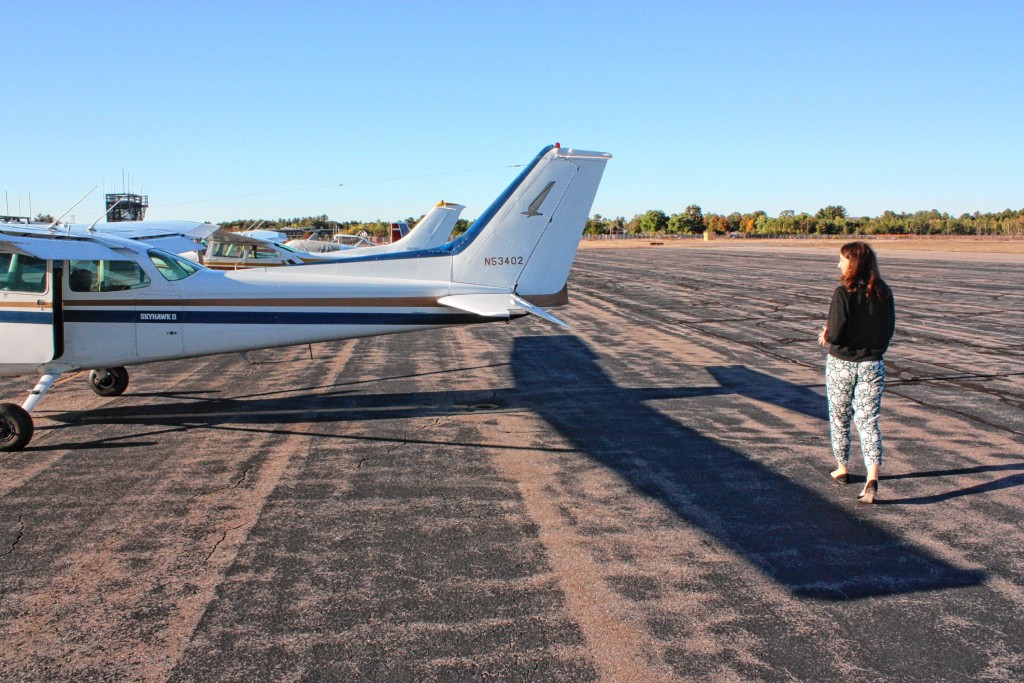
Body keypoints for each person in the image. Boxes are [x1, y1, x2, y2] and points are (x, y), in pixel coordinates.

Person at [817, 241, 896, 503]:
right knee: (868, 420)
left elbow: (837, 333)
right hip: (873, 364)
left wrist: (827, 333)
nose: (839, 264)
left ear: (854, 263)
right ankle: (872, 478)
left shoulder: (843, 293)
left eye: (842, 260)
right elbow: (887, 331)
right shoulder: (884, 293)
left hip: (842, 364)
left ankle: (842, 468)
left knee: (840, 417)